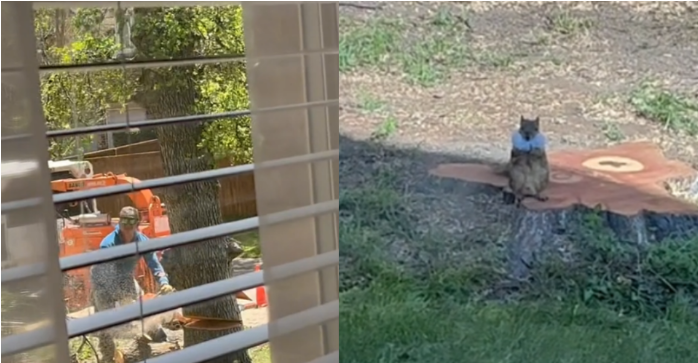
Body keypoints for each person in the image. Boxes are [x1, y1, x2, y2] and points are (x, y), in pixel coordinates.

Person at [89, 206, 175, 363]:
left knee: (138, 307)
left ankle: (153, 334)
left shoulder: (142, 241)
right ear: (120, 225)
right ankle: (108, 357)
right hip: (103, 284)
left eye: (131, 229)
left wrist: (164, 282)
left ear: (137, 226)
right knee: (105, 325)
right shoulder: (108, 244)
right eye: (124, 229)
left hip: (125, 278)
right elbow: (105, 275)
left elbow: (154, 264)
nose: (127, 233)